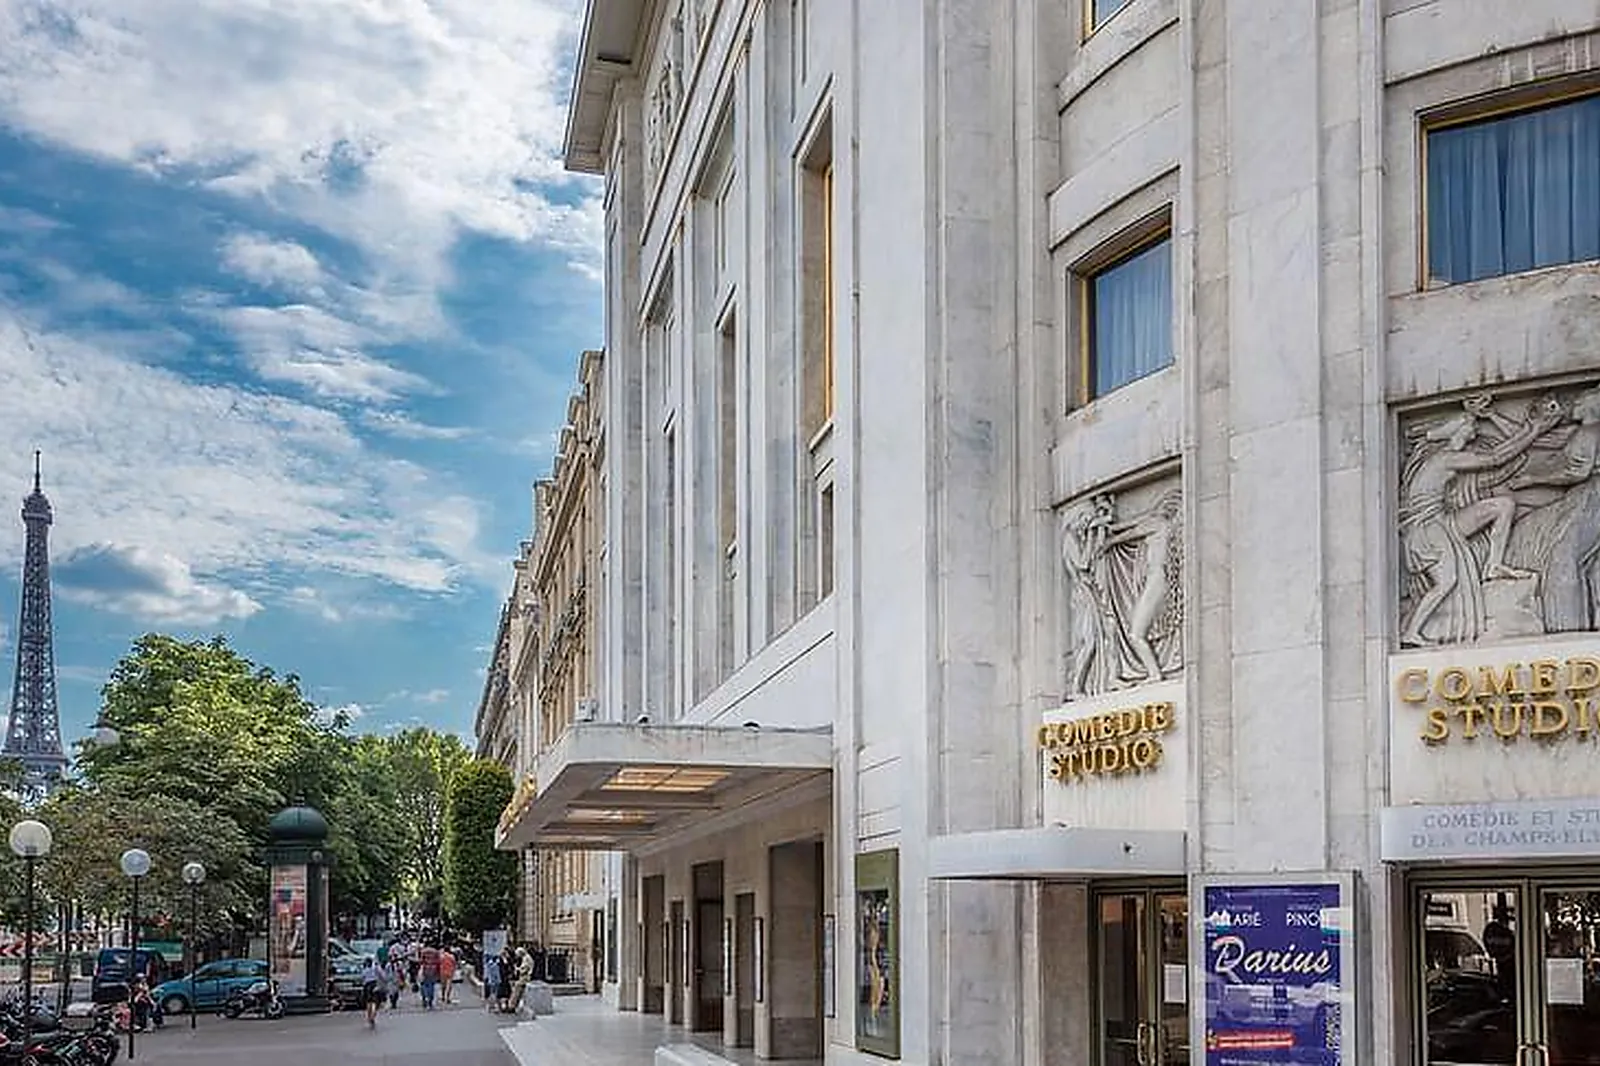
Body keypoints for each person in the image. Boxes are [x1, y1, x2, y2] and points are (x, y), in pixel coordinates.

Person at [417, 940, 441, 1010]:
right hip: (433, 969)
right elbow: (438, 962)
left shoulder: (423, 951)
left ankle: (425, 997)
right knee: (431, 985)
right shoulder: (436, 952)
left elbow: (421, 961)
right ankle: (430, 1000)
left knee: (424, 984)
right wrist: (438, 972)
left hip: (425, 969)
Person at [360, 956, 383, 1028]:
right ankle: (373, 1015)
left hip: (367, 985)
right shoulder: (376, 968)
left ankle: (369, 1016)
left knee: (369, 1002)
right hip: (374, 984)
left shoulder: (365, 970)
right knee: (376, 1002)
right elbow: (382, 975)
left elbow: (362, 977)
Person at [496, 945, 515, 1012]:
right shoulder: (500, 959)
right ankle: (502, 1005)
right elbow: (500, 968)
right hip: (502, 976)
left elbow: (511, 966)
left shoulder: (509, 959)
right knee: (502, 990)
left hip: (507, 977)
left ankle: (506, 1004)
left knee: (507, 990)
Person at [482, 948, 501, 1013]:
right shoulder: (495, 964)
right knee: (494, 993)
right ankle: (494, 1007)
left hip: (491, 980)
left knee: (492, 993)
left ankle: (491, 1007)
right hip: (494, 980)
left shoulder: (489, 964)